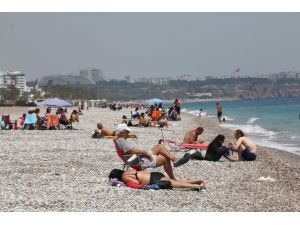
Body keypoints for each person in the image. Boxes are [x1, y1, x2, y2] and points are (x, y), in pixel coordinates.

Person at [114, 124, 190, 179]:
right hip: (138, 160)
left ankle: (175, 160)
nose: (128, 132)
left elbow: (127, 148)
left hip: (134, 158)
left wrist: (131, 136)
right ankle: (173, 178)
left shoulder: (119, 140)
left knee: (159, 146)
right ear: (122, 132)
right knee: (165, 158)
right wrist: (145, 153)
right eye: (127, 131)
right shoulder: (122, 141)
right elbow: (131, 151)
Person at [109, 169, 206, 190]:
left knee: (176, 185)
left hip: (152, 179)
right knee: (176, 182)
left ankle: (198, 186)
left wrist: (126, 183)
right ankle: (197, 181)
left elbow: (137, 182)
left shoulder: (124, 177)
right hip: (154, 173)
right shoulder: (128, 171)